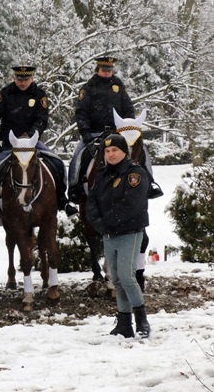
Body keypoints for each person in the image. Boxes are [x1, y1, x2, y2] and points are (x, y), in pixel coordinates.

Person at [0, 66, 78, 227]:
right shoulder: (5, 93)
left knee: (58, 163)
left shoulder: (39, 95)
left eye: (26, 79)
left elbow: (42, 118)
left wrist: (32, 134)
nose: (22, 82)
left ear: (32, 78)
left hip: (33, 144)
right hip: (10, 145)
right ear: (14, 78)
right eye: (19, 79)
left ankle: (62, 199)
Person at [68, 56, 163, 202]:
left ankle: (150, 183)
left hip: (118, 132)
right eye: (104, 70)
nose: (107, 72)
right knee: (79, 156)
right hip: (95, 132)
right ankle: (74, 187)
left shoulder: (119, 87)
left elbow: (128, 109)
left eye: (109, 70)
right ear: (97, 69)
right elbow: (81, 112)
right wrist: (86, 134)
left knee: (142, 150)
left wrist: (128, 126)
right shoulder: (88, 88)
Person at [86, 133, 151, 338]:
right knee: (116, 279)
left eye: (115, 150)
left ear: (124, 152)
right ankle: (124, 322)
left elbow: (132, 205)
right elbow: (92, 201)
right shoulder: (103, 174)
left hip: (129, 233)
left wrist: (107, 222)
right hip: (108, 234)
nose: (111, 154)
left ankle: (141, 319)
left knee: (127, 276)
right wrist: (98, 223)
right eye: (107, 151)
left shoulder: (135, 174)